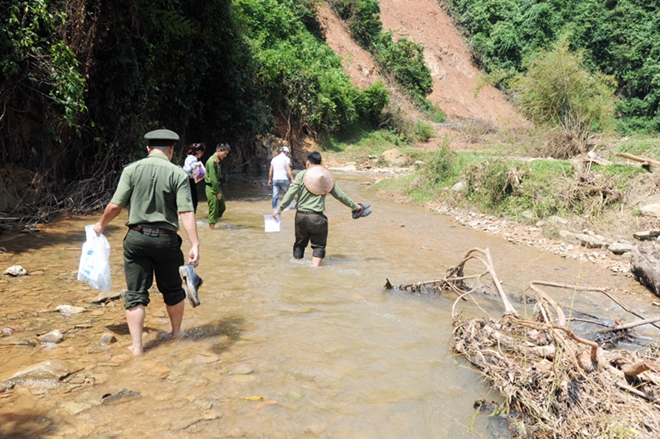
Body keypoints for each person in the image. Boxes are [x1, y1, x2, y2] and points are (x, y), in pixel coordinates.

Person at [92, 129, 200, 356]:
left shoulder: (131, 170)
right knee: (172, 289)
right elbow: (186, 212)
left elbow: (115, 206)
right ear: (171, 150)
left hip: (136, 239)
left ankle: (137, 347)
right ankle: (177, 334)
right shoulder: (178, 174)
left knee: (135, 293)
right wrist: (195, 244)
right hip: (166, 241)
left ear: (148, 148)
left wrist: (101, 226)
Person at [273, 151, 363, 267]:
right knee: (319, 246)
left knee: (299, 244)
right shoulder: (326, 176)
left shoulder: (301, 175)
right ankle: (315, 270)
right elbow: (340, 195)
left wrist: (279, 209)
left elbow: (290, 194)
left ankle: (297, 268)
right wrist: (355, 206)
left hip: (300, 216)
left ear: (307, 163)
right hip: (317, 217)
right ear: (320, 164)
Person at [204, 143, 231, 230]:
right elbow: (213, 179)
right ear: (219, 151)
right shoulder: (211, 161)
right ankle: (211, 228)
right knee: (214, 209)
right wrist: (217, 192)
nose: (225, 156)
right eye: (225, 153)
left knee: (222, 206)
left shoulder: (217, 160)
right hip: (212, 187)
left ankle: (215, 222)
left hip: (217, 186)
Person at [268, 145, 294, 209]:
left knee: (275, 195)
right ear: (286, 153)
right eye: (288, 154)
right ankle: (287, 207)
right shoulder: (286, 158)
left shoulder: (274, 159)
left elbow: (271, 170)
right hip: (284, 179)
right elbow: (288, 169)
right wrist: (292, 178)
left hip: (275, 180)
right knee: (288, 194)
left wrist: (270, 179)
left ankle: (274, 208)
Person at [182, 143, 206, 213]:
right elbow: (188, 169)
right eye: (202, 153)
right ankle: (192, 218)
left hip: (187, 181)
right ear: (199, 152)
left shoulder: (189, 157)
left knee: (190, 200)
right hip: (190, 181)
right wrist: (196, 165)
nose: (202, 155)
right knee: (194, 201)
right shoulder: (193, 158)